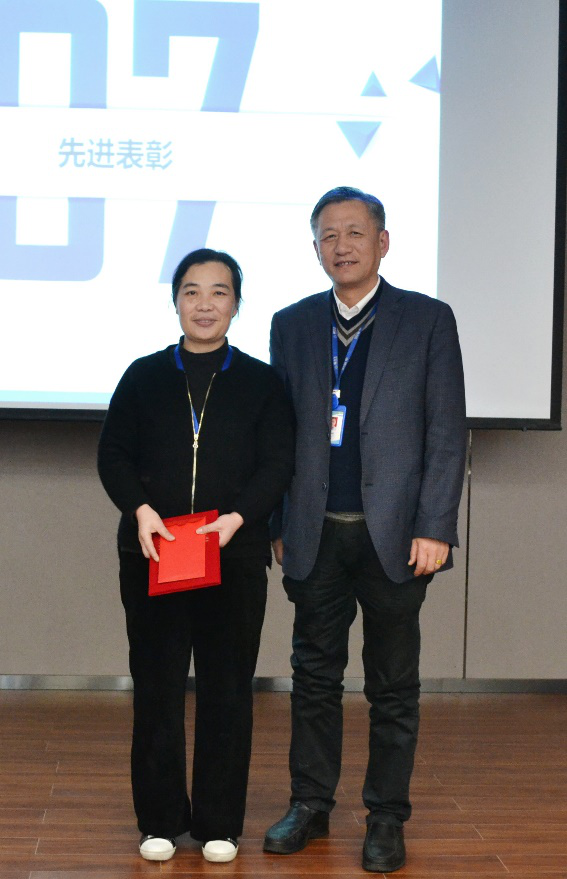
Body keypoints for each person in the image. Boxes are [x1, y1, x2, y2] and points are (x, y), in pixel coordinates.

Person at [263, 187, 467, 873]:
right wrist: (278, 521)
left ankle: (385, 816)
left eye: (354, 232)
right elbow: (278, 436)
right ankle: (310, 803)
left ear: (383, 242)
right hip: (313, 531)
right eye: (328, 235)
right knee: (313, 677)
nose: (341, 246)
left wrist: (436, 525)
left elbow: (446, 431)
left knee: (392, 684)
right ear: (315, 248)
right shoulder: (292, 324)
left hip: (398, 537)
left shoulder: (427, 319)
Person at [98, 248, 294, 864]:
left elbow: (278, 463)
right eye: (191, 291)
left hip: (232, 555)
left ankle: (219, 824)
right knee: (156, 689)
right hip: (154, 551)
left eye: (218, 292)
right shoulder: (143, 376)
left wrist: (239, 519)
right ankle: (158, 820)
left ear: (237, 303)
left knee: (226, 691)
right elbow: (113, 454)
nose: (204, 304)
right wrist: (140, 509)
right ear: (175, 301)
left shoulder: (262, 382)